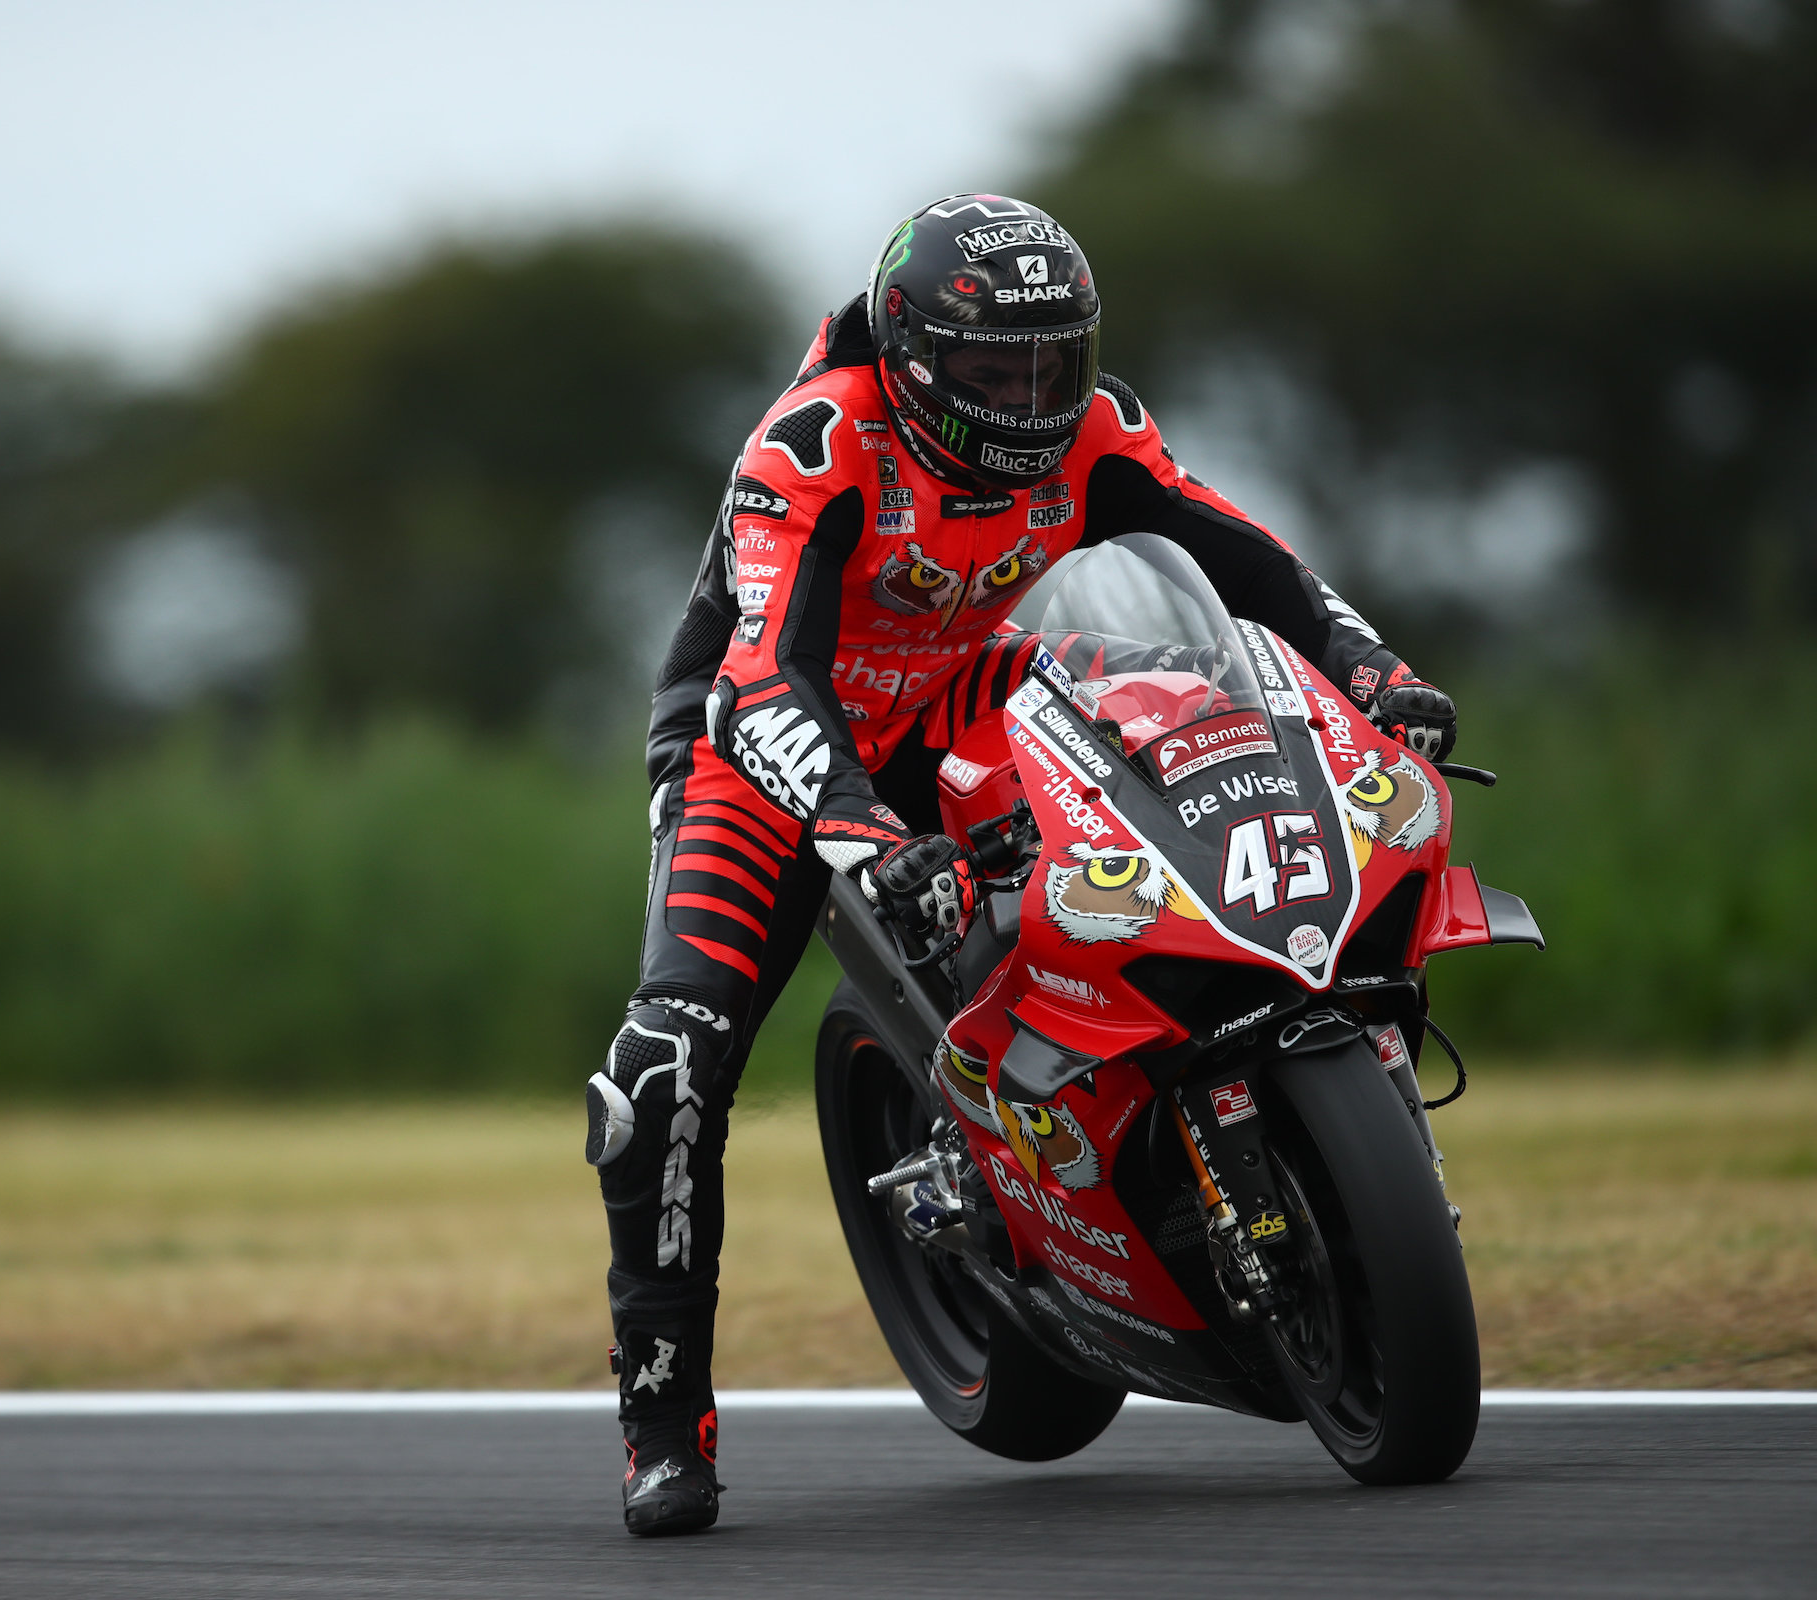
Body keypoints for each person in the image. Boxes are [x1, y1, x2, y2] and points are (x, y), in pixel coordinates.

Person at [582, 195, 1458, 1537]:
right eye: (1000, 372)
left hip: (964, 696)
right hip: (758, 750)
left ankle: (1179, 1075)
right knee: (668, 1066)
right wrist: (864, 834)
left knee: (1174, 712)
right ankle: (663, 1414)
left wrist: (1373, 669)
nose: (1035, 398)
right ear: (919, 357)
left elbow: (1251, 566)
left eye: (1060, 361)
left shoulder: (1100, 431)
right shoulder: (814, 445)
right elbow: (765, 676)